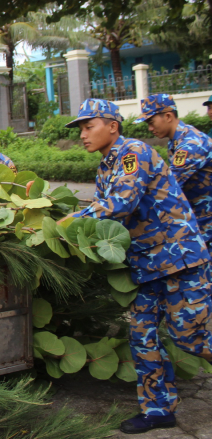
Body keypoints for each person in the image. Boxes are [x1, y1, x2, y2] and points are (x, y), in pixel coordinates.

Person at [66, 98, 212, 434]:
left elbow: (119, 205)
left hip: (179, 261)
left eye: (89, 127)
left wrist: (69, 221)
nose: (83, 135)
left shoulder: (134, 153)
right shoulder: (106, 167)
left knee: (192, 339)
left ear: (112, 126)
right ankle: (158, 410)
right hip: (148, 267)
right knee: (142, 335)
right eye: (80, 130)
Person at [136, 94, 212, 246]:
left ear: (168, 116)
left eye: (151, 122)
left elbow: (165, 186)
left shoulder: (191, 145)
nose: (150, 129)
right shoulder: (178, 140)